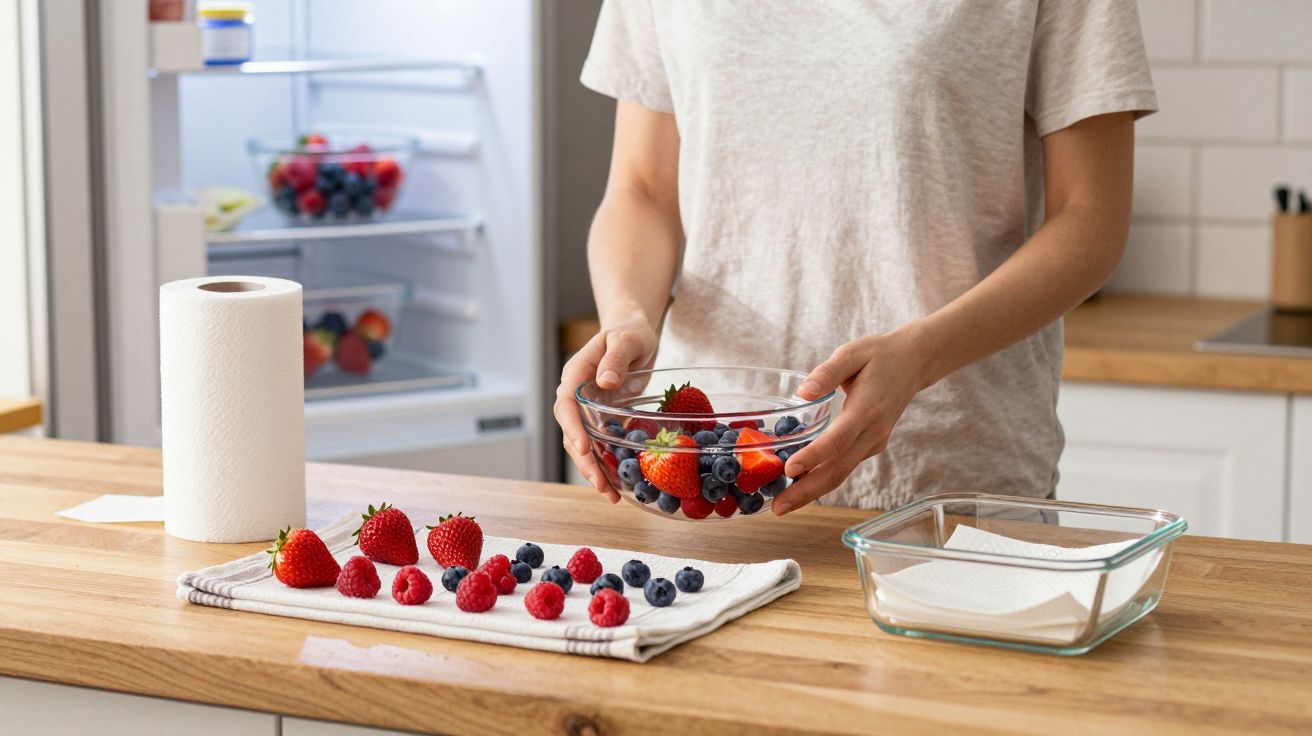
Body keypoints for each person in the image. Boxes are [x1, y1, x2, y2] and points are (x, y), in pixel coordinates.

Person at [553, 1, 1157, 516]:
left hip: (947, 476)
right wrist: (628, 316)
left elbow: (1091, 222)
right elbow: (643, 190)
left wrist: (919, 359)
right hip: (708, 474)